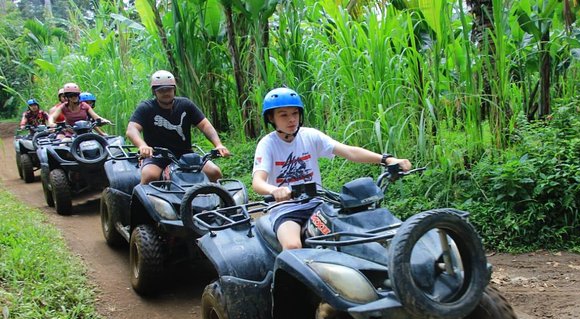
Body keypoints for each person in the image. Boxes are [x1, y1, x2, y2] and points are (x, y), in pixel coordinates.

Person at [252, 87, 412, 250]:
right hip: (286, 209)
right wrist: (275, 191)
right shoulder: (267, 144)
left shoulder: (310, 135)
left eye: (295, 113)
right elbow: (258, 182)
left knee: (351, 234)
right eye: (283, 115)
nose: (291, 119)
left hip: (318, 203)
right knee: (293, 246)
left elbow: (350, 151)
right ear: (271, 118)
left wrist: (386, 159)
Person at [125, 70, 231, 184]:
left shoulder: (185, 105)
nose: (166, 93)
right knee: (149, 176)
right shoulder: (146, 108)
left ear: (174, 89)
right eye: (161, 90)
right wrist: (142, 146)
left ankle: (220, 200)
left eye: (169, 89)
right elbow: (132, 129)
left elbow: (205, 125)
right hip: (157, 156)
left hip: (185, 155)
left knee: (215, 172)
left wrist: (218, 144)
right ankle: (138, 201)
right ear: (154, 92)